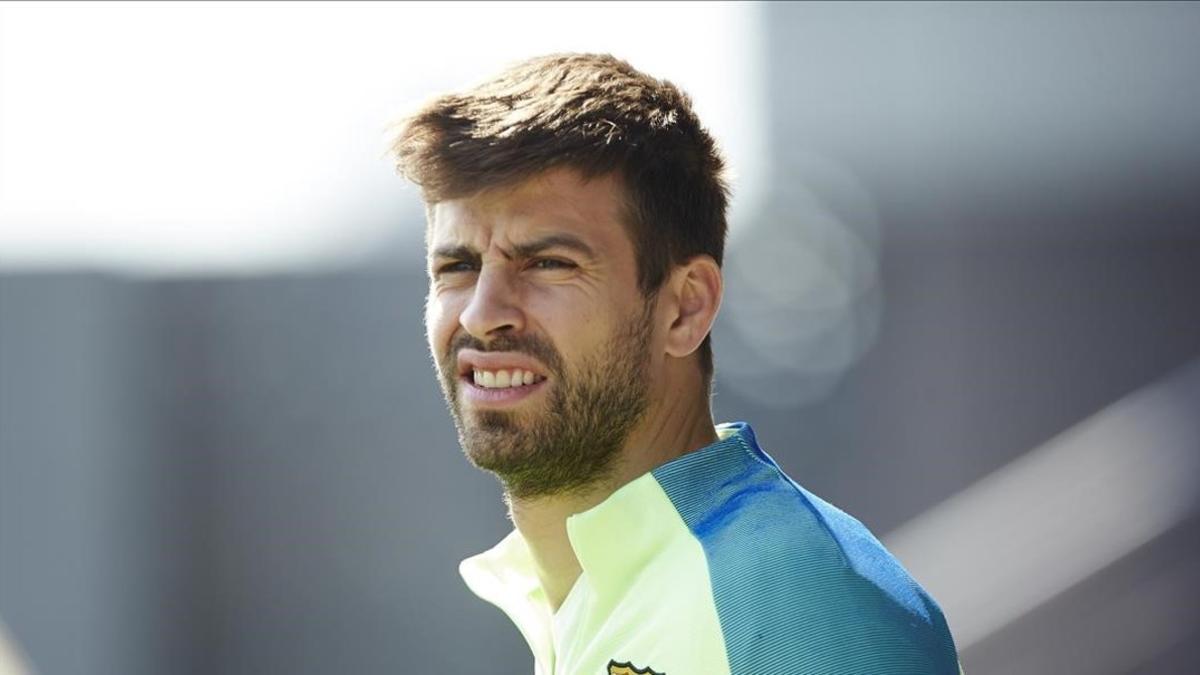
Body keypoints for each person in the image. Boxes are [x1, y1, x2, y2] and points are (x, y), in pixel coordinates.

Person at [389, 53, 960, 675]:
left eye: (548, 263)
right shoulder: (579, 595)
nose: (481, 313)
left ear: (686, 307)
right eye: (457, 267)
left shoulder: (797, 599)